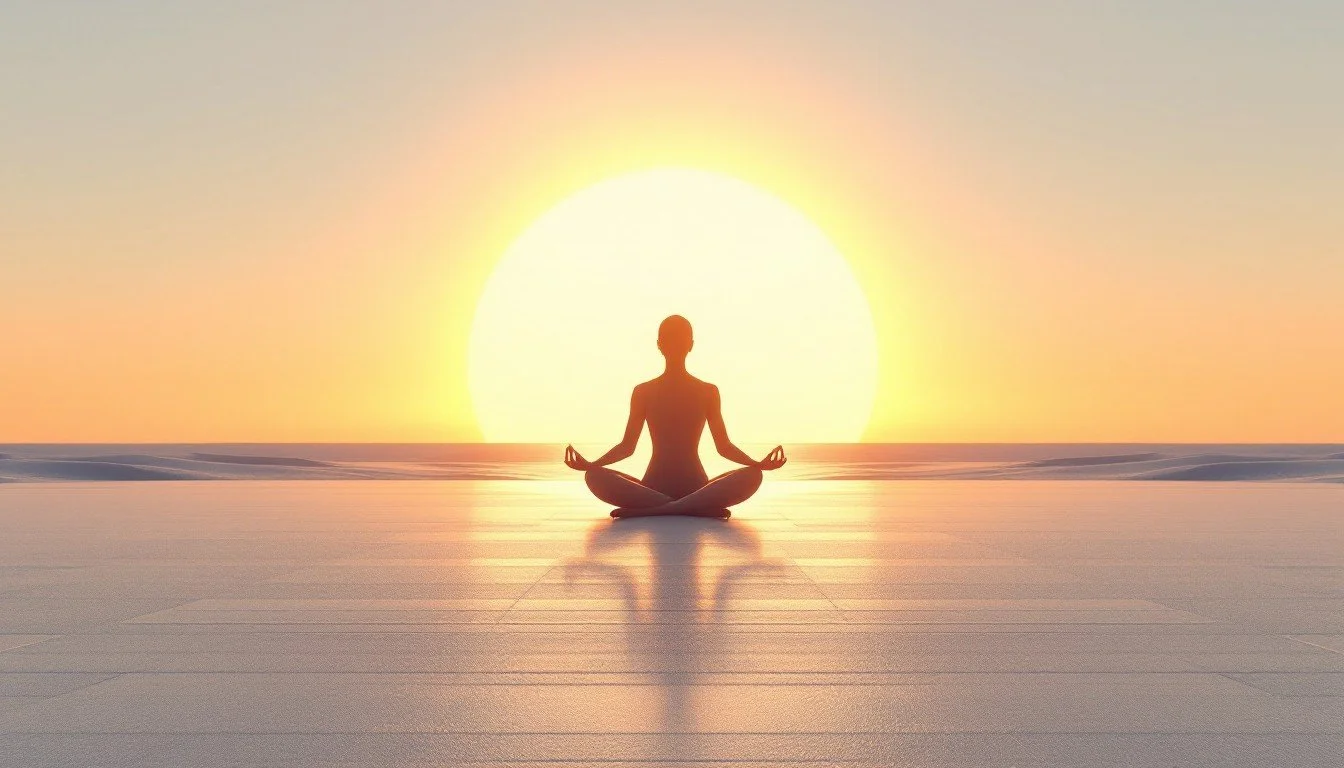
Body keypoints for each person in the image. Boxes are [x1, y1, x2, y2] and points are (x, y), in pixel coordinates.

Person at [563, 315, 786, 518]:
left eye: (678, 339)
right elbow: (627, 446)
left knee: (753, 475)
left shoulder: (707, 391)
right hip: (670, 490)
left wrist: (757, 464)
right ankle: (691, 507)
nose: (675, 344)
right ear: (686, 345)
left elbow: (723, 446)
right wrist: (592, 465)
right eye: (672, 339)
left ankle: (655, 510)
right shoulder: (644, 391)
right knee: (593, 476)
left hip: (681, 488)